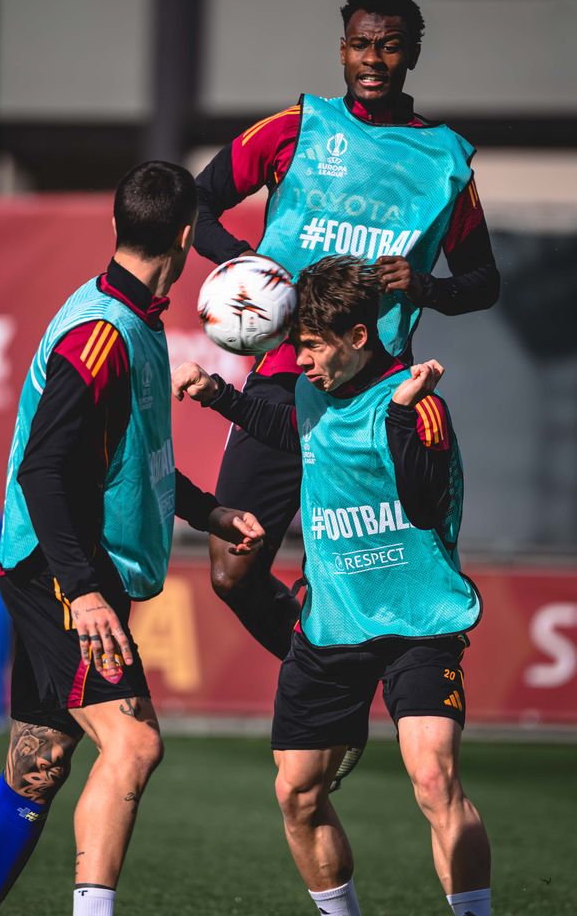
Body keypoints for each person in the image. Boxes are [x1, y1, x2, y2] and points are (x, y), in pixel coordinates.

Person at [0, 162, 265, 916]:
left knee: (40, 763)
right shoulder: (101, 335)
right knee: (134, 745)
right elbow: (42, 472)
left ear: (117, 225)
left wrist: (209, 511)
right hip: (64, 574)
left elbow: (134, 460)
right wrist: (84, 591)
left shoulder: (135, 320)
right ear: (188, 237)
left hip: (65, 569)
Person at [193, 0, 500, 685]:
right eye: (361, 44)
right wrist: (241, 263)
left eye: (389, 45)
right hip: (280, 385)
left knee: (370, 583)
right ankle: (331, 680)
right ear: (342, 50)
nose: (374, 59)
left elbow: (484, 282)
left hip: (376, 404)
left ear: (411, 55)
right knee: (232, 568)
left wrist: (426, 288)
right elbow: (199, 199)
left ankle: (371, 695)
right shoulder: (297, 127)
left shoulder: (446, 162)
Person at [172, 255, 492, 916]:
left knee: (433, 777)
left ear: (358, 338)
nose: (302, 362)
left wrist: (401, 416)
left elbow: (428, 506)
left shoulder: (420, 404)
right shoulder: (310, 396)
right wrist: (217, 393)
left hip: (418, 624)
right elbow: (290, 430)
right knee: (297, 793)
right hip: (331, 625)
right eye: (296, 348)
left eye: (313, 348)